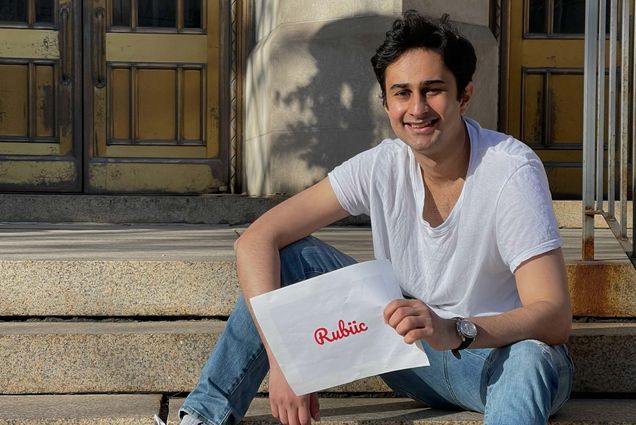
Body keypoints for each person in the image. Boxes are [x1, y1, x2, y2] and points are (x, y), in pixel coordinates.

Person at [175, 11, 573, 425]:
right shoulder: (381, 165)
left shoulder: (510, 169)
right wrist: (285, 359)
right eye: (402, 93)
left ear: (464, 95)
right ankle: (202, 417)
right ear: (385, 101)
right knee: (293, 256)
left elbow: (554, 316)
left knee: (530, 355)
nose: (417, 108)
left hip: (494, 360)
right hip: (412, 362)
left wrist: (455, 329)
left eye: (433, 90)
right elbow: (255, 240)